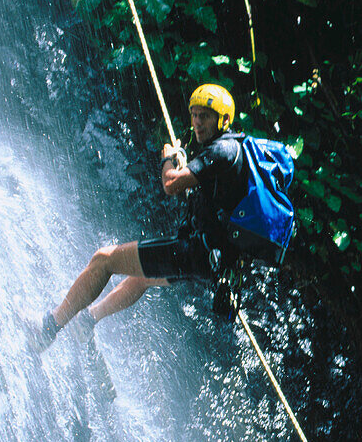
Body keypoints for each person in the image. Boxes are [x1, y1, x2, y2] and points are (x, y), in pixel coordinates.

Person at [24, 83, 249, 353]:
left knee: (104, 260)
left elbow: (170, 184)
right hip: (213, 260)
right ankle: (86, 320)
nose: (198, 122)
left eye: (206, 116)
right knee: (142, 277)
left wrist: (167, 158)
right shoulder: (235, 152)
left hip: (196, 252)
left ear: (224, 119)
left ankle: (48, 329)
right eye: (195, 114)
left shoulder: (223, 151)